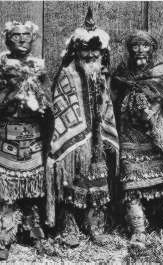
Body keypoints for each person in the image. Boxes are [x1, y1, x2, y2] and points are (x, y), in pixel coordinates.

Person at [47, 8, 119, 246]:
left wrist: (103, 132)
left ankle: (94, 225)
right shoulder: (67, 74)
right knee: (72, 180)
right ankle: (68, 226)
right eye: (85, 50)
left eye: (95, 51)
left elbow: (106, 103)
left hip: (96, 139)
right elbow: (61, 106)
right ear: (75, 52)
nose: (90, 55)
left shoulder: (101, 74)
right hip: (75, 140)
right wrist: (78, 136)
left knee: (97, 179)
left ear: (101, 53)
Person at [111, 30, 163, 246]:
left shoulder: (160, 72)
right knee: (131, 181)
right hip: (129, 134)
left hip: (157, 134)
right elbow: (114, 98)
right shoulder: (122, 72)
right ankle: (139, 231)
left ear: (152, 48)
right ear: (130, 49)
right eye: (135, 46)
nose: (140, 50)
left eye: (145, 45)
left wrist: (156, 118)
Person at [0, 21, 53, 260]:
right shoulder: (2, 65)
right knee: (7, 192)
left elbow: (48, 101)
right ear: (7, 40)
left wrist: (41, 101)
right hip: (7, 134)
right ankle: (5, 237)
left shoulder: (38, 67)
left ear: (33, 39)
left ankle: (35, 233)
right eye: (15, 36)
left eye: (26, 36)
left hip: (33, 136)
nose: (21, 40)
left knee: (33, 191)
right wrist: (12, 93)